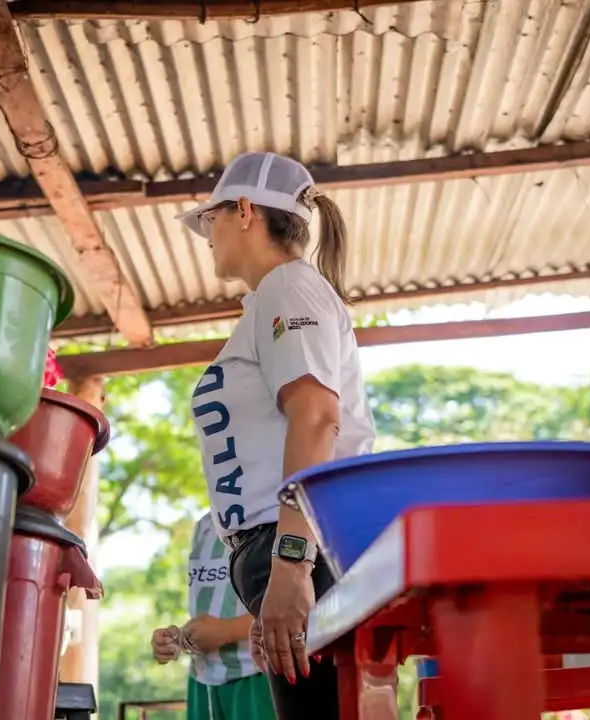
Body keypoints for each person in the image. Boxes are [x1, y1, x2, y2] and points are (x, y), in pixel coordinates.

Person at [175, 151, 376, 719]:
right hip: (284, 546)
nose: (205, 234)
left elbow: (316, 417)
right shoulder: (273, 299)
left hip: (301, 542)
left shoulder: (290, 288)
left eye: (208, 218)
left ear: (243, 210)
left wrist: (290, 562)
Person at [149, 513, 276, 720]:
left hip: (260, 674)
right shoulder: (204, 525)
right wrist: (179, 639)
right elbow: (211, 606)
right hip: (202, 679)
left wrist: (228, 631)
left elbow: (306, 602)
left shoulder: (275, 509)